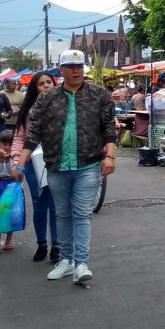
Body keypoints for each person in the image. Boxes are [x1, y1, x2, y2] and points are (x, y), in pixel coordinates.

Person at [12, 49, 117, 284]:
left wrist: (110, 156)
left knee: (81, 214)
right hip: (56, 165)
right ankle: (66, 261)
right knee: (62, 214)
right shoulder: (47, 99)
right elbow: (34, 133)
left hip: (88, 164)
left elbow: (108, 127)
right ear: (61, 70)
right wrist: (20, 163)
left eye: (79, 66)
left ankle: (81, 263)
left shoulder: (99, 94)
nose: (76, 70)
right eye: (70, 66)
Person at [10, 71, 59, 263]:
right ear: (34, 88)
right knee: (40, 205)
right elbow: (20, 137)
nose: (46, 86)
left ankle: (57, 245)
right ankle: (41, 244)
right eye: (41, 83)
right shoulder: (29, 109)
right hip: (31, 163)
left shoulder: (63, 105)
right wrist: (17, 163)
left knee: (56, 207)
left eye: (49, 82)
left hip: (56, 162)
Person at [0, 130, 19, 253]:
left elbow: (13, 172)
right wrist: (1, 159)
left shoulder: (15, 157)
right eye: (4, 144)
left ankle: (9, 239)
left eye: (10, 145)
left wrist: (7, 160)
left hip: (11, 185)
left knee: (11, 213)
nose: (7, 147)